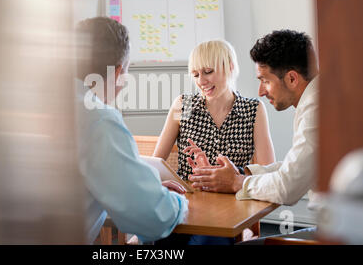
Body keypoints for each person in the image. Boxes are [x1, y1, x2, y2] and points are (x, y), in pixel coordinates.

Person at [188, 30, 320, 242]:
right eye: (196, 74)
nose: (260, 90)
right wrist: (242, 171)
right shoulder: (318, 100)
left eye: (265, 81)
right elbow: (295, 167)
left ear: (292, 78)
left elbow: (288, 187)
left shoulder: (316, 111)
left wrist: (237, 182)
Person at [75, 17, 188, 244]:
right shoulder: (99, 118)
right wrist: (176, 203)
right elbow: (155, 218)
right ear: (118, 73)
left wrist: (143, 189)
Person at [153, 39, 275, 245]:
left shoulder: (254, 110)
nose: (201, 81)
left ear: (230, 66)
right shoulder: (184, 105)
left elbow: (267, 173)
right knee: (161, 238)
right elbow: (157, 162)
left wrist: (230, 176)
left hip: (230, 209)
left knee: (206, 242)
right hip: (185, 206)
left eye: (208, 71)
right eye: (195, 74)